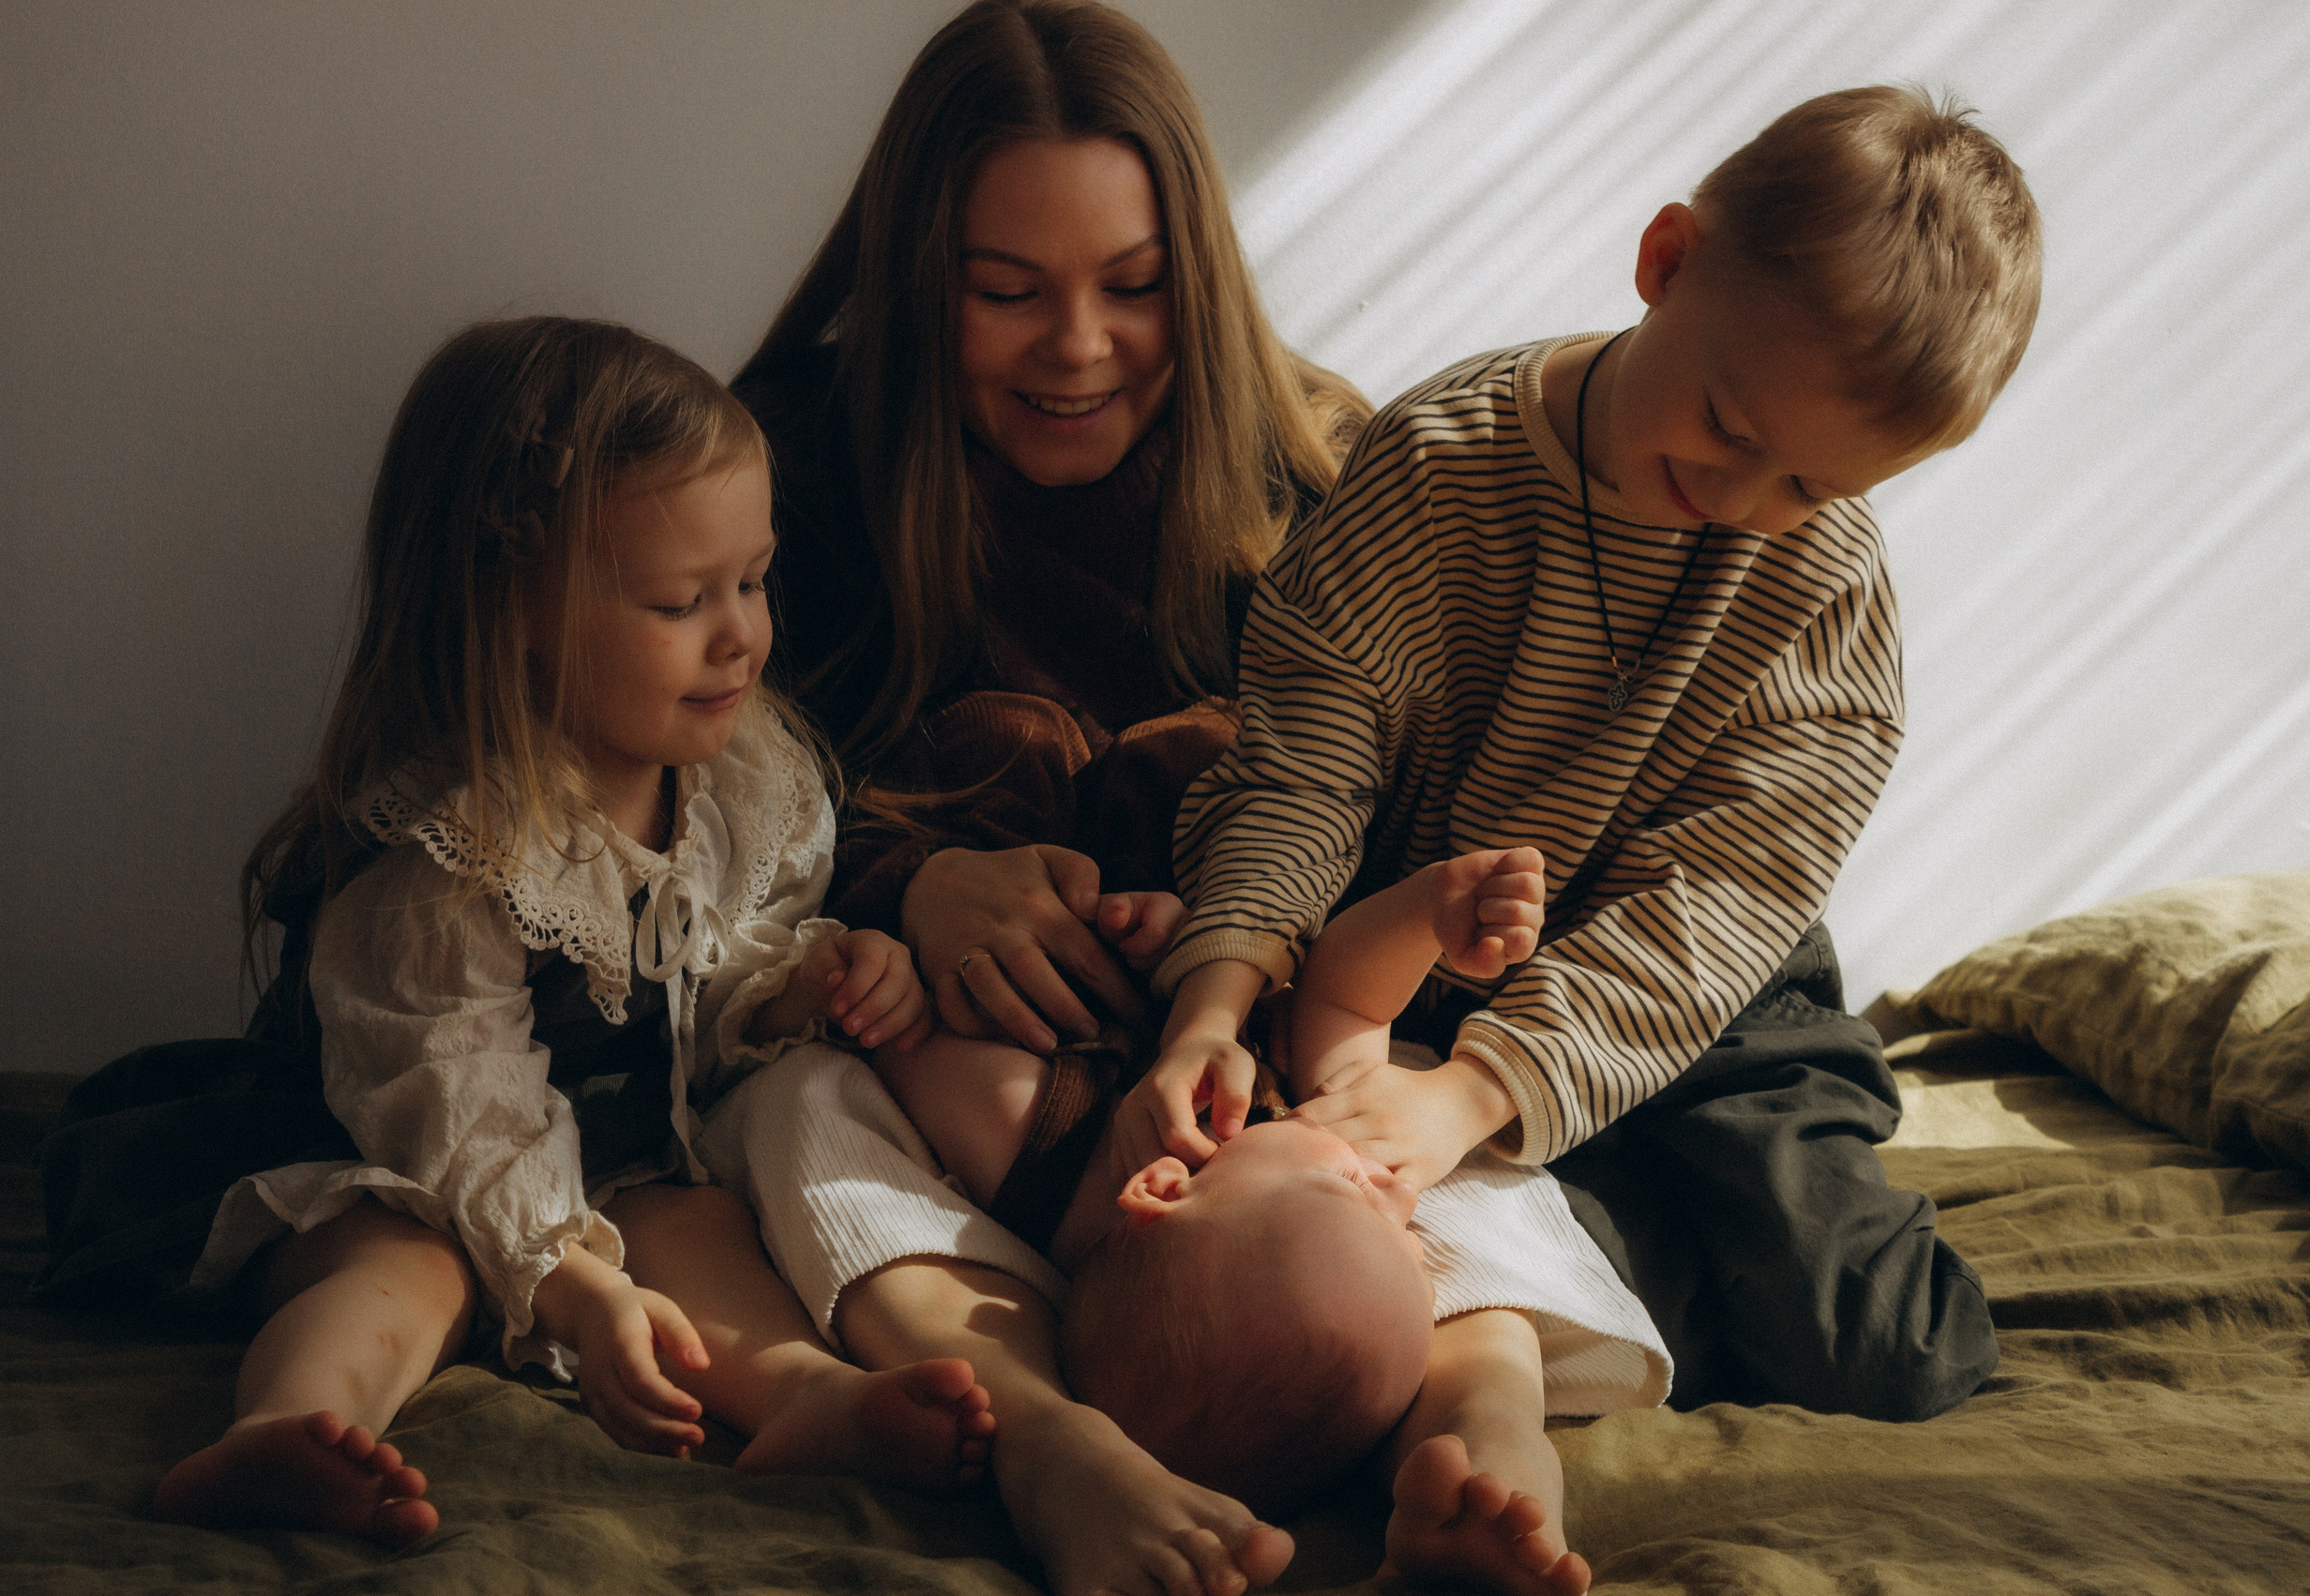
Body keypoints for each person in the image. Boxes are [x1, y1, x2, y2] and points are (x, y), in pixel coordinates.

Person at [1144, 82, 2046, 1577]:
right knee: (1240, 1225)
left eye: (1811, 484)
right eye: (1730, 429)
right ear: (1666, 258)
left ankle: (1582, 1227)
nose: (1743, 501)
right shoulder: (1437, 463)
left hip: (1701, 971)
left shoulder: (1825, 600)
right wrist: (1216, 994)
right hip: (1405, 930)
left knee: (1882, 1348)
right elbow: (1301, 759)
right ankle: (1525, 1268)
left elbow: (1716, 913)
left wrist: (1477, 1097)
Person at [34, 317, 994, 1546]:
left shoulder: (738, 777)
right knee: (406, 1262)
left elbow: (714, 962)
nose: (740, 632)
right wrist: (576, 1284)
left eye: (751, 580)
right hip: (391, 1151)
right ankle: (283, 1425)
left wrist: (804, 982)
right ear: (515, 609)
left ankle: (812, 1396)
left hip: (599, 1162)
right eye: (678, 599)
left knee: (692, 1216)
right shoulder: (454, 849)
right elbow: (454, 1093)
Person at [714, 4, 1386, 1594]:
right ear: (906, 282)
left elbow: (1390, 806)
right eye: (1005, 292)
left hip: (1228, 1118)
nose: (1078, 348)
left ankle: (1464, 1436)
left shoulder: (1323, 462)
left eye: (1136, 288)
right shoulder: (786, 460)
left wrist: (1234, 953)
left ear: (1200, 277)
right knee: (779, 1125)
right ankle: (1037, 1434)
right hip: (910, 1079)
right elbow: (665, 805)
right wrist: (898, 886)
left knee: (1439, 1188)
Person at [865, 846, 1653, 1591]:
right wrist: (1425, 916)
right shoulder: (1320, 1128)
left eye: (1354, 1189)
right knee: (1480, 1230)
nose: (1400, 1193)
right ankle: (1493, 1447)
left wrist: (888, 990)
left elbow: (900, 1042)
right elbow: (1346, 999)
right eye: (1407, 1241)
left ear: (1166, 1189)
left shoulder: (1046, 1152)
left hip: (1078, 994)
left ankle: (1474, 1447)